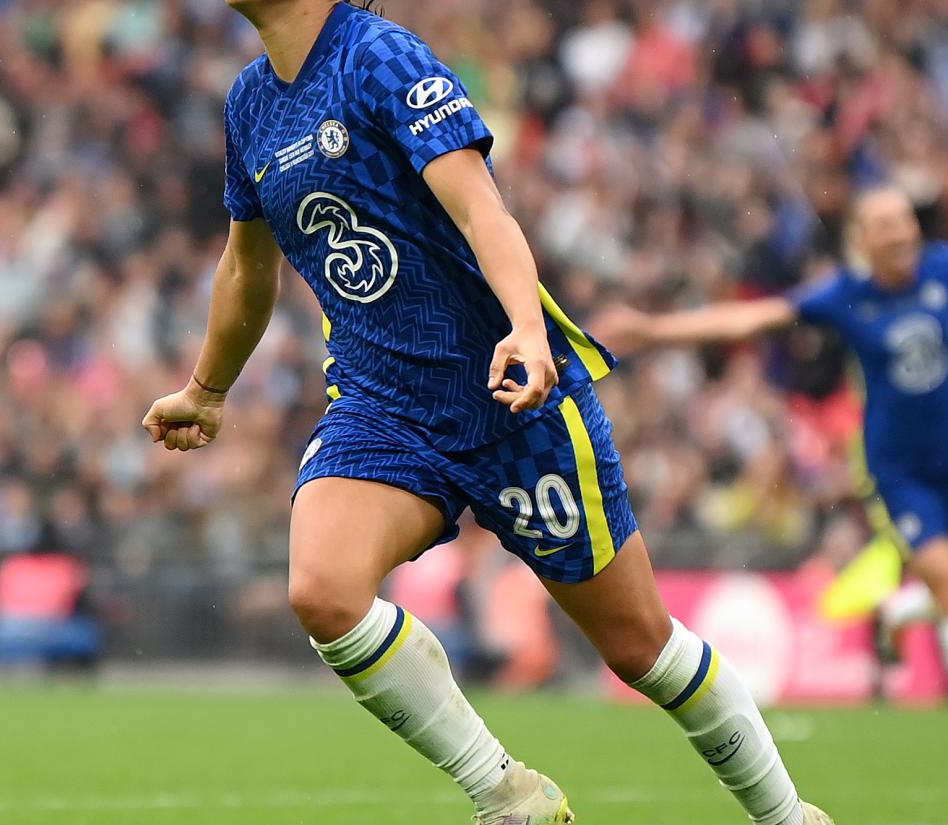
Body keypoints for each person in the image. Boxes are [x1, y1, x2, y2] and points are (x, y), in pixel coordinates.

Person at [140, 3, 834, 824]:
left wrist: (531, 335)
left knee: (640, 647)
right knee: (323, 589)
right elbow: (244, 269)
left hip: (509, 395)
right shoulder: (249, 103)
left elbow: (483, 210)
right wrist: (208, 388)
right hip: (381, 406)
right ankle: (505, 792)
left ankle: (788, 816)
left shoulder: (380, 58)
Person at [593, 181, 948, 769]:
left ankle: (898, 611)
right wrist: (655, 331)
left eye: (905, 221)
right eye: (885, 225)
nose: (901, 233)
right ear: (863, 241)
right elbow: (751, 319)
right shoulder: (845, 296)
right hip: (897, 474)